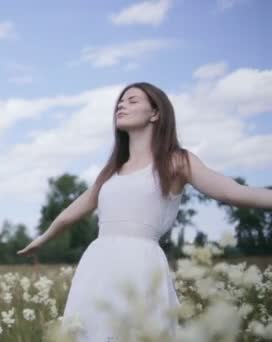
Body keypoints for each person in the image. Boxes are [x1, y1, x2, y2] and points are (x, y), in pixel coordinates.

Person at [17, 82, 272, 341]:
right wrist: (42, 239)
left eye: (132, 100)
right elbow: (70, 213)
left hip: (141, 264)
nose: (121, 105)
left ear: (155, 113)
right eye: (120, 101)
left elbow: (232, 192)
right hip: (97, 265)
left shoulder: (176, 161)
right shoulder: (111, 171)